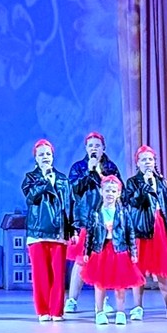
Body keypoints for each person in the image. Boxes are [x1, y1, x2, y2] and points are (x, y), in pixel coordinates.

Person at [123, 145, 167, 321]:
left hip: (160, 228)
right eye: (144, 160)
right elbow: (133, 202)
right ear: (138, 163)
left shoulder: (162, 182)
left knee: (163, 271)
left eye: (150, 159)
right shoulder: (133, 182)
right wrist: (145, 185)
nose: (147, 162)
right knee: (139, 270)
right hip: (141, 229)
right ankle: (137, 307)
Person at [65, 131, 120, 314]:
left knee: (102, 260)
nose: (94, 148)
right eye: (91, 146)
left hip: (105, 220)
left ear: (103, 148)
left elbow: (119, 189)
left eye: (97, 145)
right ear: (86, 149)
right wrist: (89, 171)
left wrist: (100, 173)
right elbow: (73, 190)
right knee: (81, 259)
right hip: (85, 219)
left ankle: (102, 301)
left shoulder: (110, 167)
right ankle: (72, 300)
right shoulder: (79, 167)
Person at [21, 139, 74, 322]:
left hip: (58, 232)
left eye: (48, 154)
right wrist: (44, 180)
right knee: (41, 274)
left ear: (53, 157)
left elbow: (70, 205)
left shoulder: (62, 179)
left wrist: (72, 229)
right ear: (36, 158)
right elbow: (31, 198)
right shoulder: (30, 178)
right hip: (38, 232)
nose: (45, 157)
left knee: (58, 274)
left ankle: (57, 311)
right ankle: (43, 310)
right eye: (41, 154)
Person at [81, 175, 143, 325]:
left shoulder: (123, 213)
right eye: (107, 190)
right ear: (101, 192)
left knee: (119, 284)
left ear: (119, 193)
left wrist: (133, 252)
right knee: (100, 283)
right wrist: (86, 252)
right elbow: (89, 234)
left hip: (119, 250)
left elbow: (130, 233)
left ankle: (120, 312)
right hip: (101, 251)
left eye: (113, 191)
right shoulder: (95, 213)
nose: (110, 194)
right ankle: (100, 312)